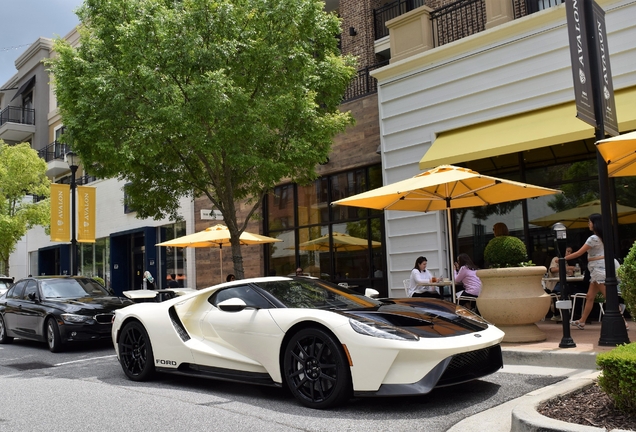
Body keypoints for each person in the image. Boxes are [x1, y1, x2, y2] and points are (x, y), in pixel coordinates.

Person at [566, 214, 609, 330]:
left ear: (594, 224)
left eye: (589, 222)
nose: (588, 224)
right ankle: (582, 321)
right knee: (590, 296)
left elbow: (579, 253)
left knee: (608, 296)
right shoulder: (603, 237)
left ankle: (623, 322)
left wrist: (563, 259)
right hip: (598, 268)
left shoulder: (593, 238)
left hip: (597, 270)